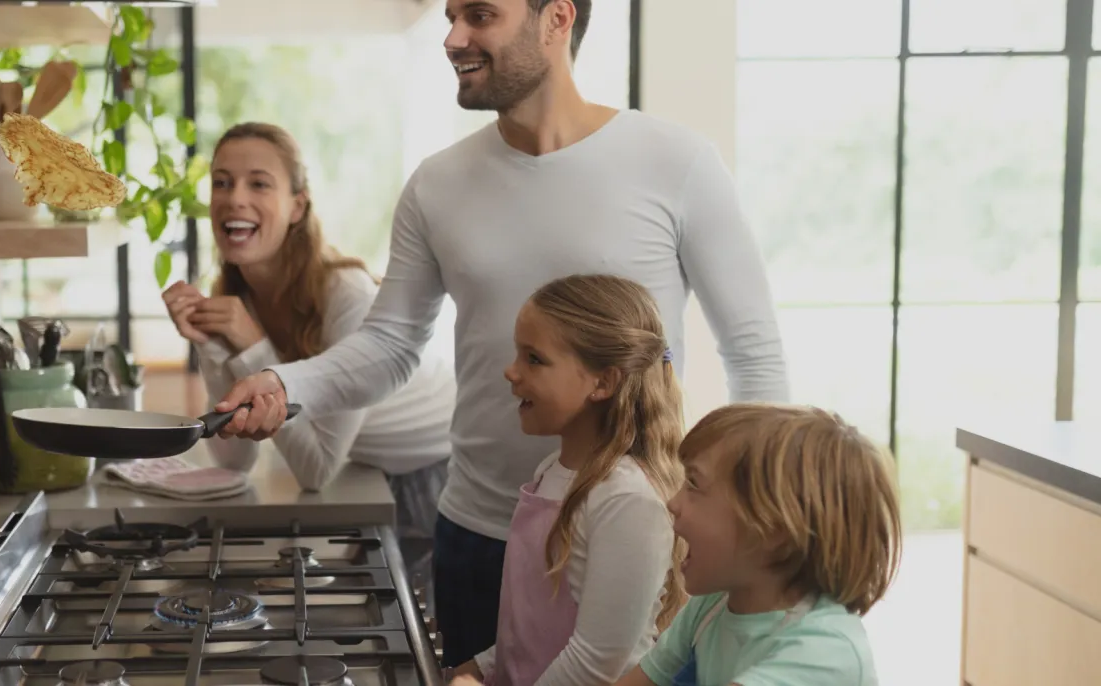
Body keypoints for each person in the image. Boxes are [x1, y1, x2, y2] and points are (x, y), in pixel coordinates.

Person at [206, 0, 789, 667]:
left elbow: (753, 352)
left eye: (480, 15)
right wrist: (284, 382)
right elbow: (392, 345)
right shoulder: (437, 184)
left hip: (636, 535)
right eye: (453, 16)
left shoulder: (676, 162)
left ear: (556, 19)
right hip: (481, 532)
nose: (453, 37)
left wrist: (755, 516)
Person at [162, 121, 457, 598]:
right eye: (221, 182)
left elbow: (316, 469)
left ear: (297, 206)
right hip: (366, 469)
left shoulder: (346, 295)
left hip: (435, 476)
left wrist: (252, 345)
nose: (234, 198)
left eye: (258, 183)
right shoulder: (240, 297)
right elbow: (234, 459)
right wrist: (211, 343)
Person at [446, 274, 687, 686]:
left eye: (534, 359)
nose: (511, 371)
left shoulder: (626, 499)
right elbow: (532, 626)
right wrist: (482, 668)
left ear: (603, 382)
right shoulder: (551, 470)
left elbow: (596, 663)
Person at [613, 404, 901, 686]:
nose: (672, 503)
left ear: (774, 531)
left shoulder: (825, 650)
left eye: (694, 484)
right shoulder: (712, 605)